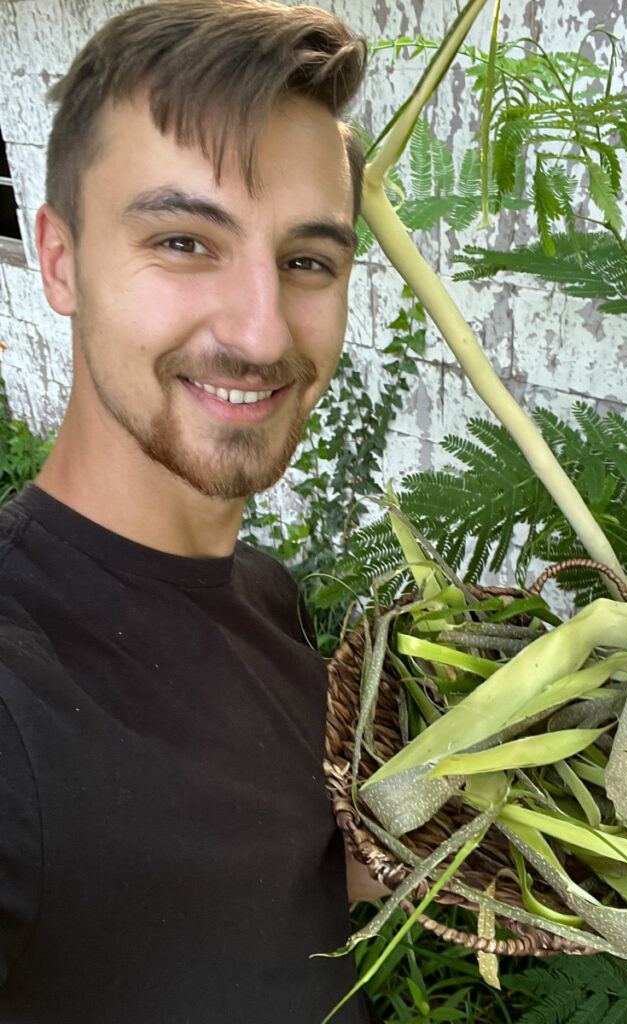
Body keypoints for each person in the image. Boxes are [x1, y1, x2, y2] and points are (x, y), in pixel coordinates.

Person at [0, 1, 373, 1020]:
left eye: (307, 261)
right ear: (62, 259)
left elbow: (262, 893)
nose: (260, 333)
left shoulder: (270, 597)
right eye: (183, 239)